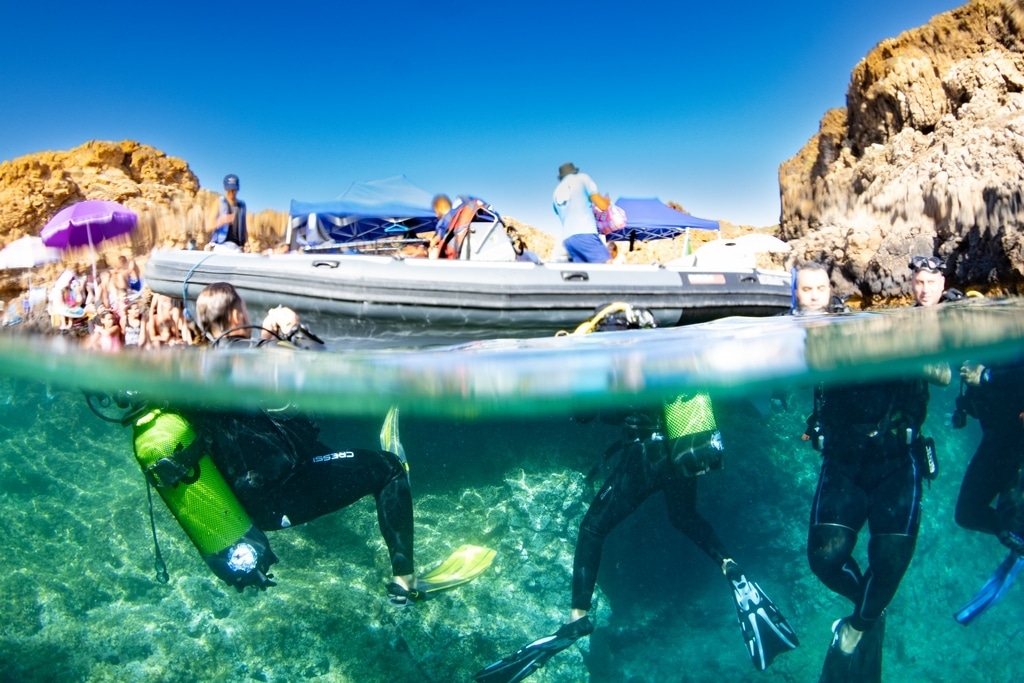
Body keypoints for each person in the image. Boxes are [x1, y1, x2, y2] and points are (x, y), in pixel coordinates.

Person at [475, 305, 798, 683]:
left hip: (645, 455)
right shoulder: (666, 350)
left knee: (593, 529)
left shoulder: (610, 359)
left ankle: (577, 617)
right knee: (683, 517)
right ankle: (730, 566)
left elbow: (583, 414)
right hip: (684, 449)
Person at [805, 362, 945, 680]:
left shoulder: (912, 327)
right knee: (824, 558)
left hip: (898, 457)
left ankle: (855, 629)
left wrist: (917, 354)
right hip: (844, 456)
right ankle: (870, 606)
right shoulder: (832, 325)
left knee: (891, 560)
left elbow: (946, 374)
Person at [552, 162, 611, 264]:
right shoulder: (582, 178)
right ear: (574, 171)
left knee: (585, 275)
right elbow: (602, 205)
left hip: (568, 240)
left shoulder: (556, 192)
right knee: (607, 266)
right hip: (584, 233)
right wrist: (607, 201)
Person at [207, 174, 247, 252]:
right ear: (225, 188)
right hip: (220, 246)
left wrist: (246, 243)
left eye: (234, 189)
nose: (232, 192)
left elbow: (244, 228)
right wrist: (221, 221)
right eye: (229, 190)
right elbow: (208, 227)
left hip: (237, 248)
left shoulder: (242, 205)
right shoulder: (219, 202)